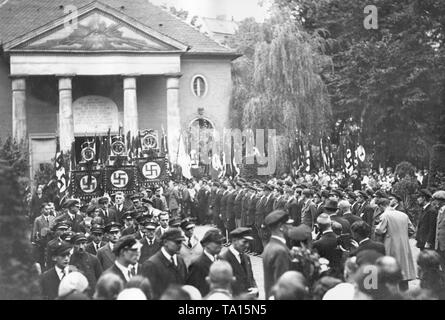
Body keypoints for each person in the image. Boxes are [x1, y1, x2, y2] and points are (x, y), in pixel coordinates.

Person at [375, 198, 416, 291]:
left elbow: (380, 230)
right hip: (404, 244)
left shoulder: (385, 215)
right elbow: (412, 230)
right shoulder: (403, 215)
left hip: (390, 244)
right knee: (404, 269)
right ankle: (404, 291)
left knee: (391, 268)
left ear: (381, 206)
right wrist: (403, 236)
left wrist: (376, 228)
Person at [141, 228, 188, 299]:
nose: (180, 245)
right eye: (177, 242)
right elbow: (149, 294)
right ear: (165, 242)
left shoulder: (180, 260)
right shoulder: (151, 264)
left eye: (181, 242)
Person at [262, 210, 293, 299]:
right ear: (281, 227)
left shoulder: (270, 246)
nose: (291, 227)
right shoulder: (280, 250)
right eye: (288, 224)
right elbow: (282, 283)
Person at [220, 227, 257, 298]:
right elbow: (223, 286)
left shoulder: (246, 257)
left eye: (248, 242)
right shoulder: (224, 258)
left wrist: (255, 288)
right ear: (234, 241)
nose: (247, 245)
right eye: (244, 242)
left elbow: (251, 278)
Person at [186, 228, 225, 296]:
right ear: (206, 244)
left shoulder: (222, 260)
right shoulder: (197, 265)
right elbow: (193, 291)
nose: (221, 245)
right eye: (217, 242)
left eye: (222, 242)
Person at [32, 202, 55, 269]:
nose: (48, 211)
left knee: (51, 261)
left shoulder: (53, 218)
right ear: (42, 210)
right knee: (41, 261)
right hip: (42, 244)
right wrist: (36, 239)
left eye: (49, 209)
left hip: (51, 243)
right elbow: (35, 232)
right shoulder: (38, 219)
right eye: (46, 209)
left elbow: (55, 230)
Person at [433, 190, 445, 265]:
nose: (435, 202)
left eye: (436, 200)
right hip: (439, 245)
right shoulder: (440, 211)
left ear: (442, 201)